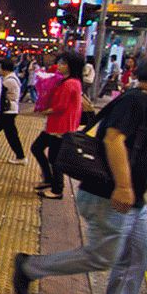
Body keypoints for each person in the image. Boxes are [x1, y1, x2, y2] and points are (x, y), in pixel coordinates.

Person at [13, 54, 147, 294]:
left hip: (132, 201)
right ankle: (29, 267)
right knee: (101, 256)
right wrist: (124, 186)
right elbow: (113, 138)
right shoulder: (136, 102)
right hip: (110, 195)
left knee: (138, 255)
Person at [29, 51, 84, 200]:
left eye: (63, 63)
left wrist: (45, 111)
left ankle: (57, 189)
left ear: (72, 66)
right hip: (56, 125)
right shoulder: (68, 81)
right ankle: (49, 179)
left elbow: (61, 106)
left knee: (54, 158)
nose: (59, 65)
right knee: (37, 148)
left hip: (61, 127)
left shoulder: (70, 83)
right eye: (59, 62)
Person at [0, 58, 27, 164]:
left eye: (0, 67)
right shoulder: (11, 78)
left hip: (8, 111)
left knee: (11, 135)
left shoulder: (8, 81)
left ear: (4, 68)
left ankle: (21, 156)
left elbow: (0, 95)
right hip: (10, 110)